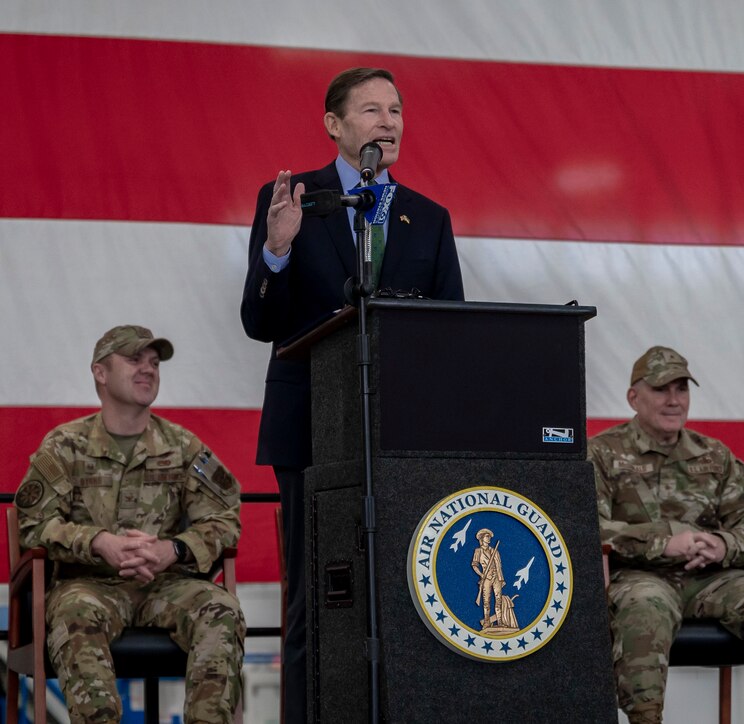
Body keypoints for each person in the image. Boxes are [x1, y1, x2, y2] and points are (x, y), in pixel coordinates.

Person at [240, 66, 464, 721]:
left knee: (402, 598)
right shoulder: (292, 199)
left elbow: (449, 332)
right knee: (317, 597)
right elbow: (260, 323)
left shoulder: (429, 218)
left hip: (402, 435)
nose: (388, 122)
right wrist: (276, 252)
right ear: (335, 126)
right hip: (310, 427)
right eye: (371, 110)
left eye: (395, 109)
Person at [14, 325, 245, 723]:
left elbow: (225, 517)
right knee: (75, 615)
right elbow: (32, 525)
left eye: (154, 363)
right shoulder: (64, 445)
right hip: (87, 585)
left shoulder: (183, 446)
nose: (148, 369)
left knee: (221, 608)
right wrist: (97, 541)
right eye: (134, 359)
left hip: (166, 585)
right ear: (100, 373)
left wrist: (172, 549)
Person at [590, 346, 744, 724]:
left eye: (682, 389)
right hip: (638, 577)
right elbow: (586, 527)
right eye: (662, 390)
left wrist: (723, 544)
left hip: (710, 578)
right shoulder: (603, 454)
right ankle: (645, 719)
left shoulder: (714, 455)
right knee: (644, 605)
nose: (674, 401)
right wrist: (665, 541)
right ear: (633, 397)